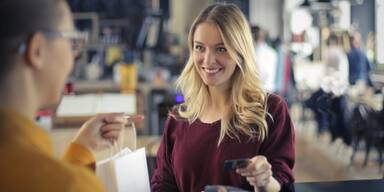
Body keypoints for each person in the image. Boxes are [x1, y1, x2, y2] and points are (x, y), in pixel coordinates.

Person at [0, 0, 143, 191]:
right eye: (71, 41)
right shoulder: (69, 184)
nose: (73, 59)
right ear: (37, 50)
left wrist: (80, 151)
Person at [151, 3, 295, 192]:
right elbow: (163, 184)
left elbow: (283, 184)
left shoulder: (271, 111)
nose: (208, 60)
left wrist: (265, 181)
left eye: (221, 48)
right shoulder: (179, 118)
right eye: (200, 48)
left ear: (240, 52)